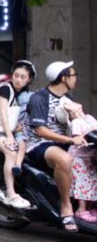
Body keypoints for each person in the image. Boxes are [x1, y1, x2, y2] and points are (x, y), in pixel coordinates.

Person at [24, 61, 85, 232]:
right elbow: (41, 131)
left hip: (62, 141)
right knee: (64, 160)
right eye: (74, 76)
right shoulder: (39, 98)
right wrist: (69, 140)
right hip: (39, 144)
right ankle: (66, 208)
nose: (76, 79)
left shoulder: (68, 98)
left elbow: (75, 122)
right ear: (64, 78)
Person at [0, 60, 36, 209]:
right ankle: (11, 194)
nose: (18, 79)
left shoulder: (25, 94)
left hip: (10, 131)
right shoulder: (5, 88)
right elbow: (3, 113)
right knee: (11, 151)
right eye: (16, 75)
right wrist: (9, 136)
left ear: (29, 79)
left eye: (23, 77)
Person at [54, 99, 97, 223]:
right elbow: (77, 137)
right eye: (69, 105)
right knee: (83, 183)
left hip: (91, 155)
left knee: (93, 181)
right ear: (70, 113)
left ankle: (91, 207)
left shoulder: (88, 118)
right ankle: (81, 209)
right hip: (80, 157)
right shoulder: (76, 122)